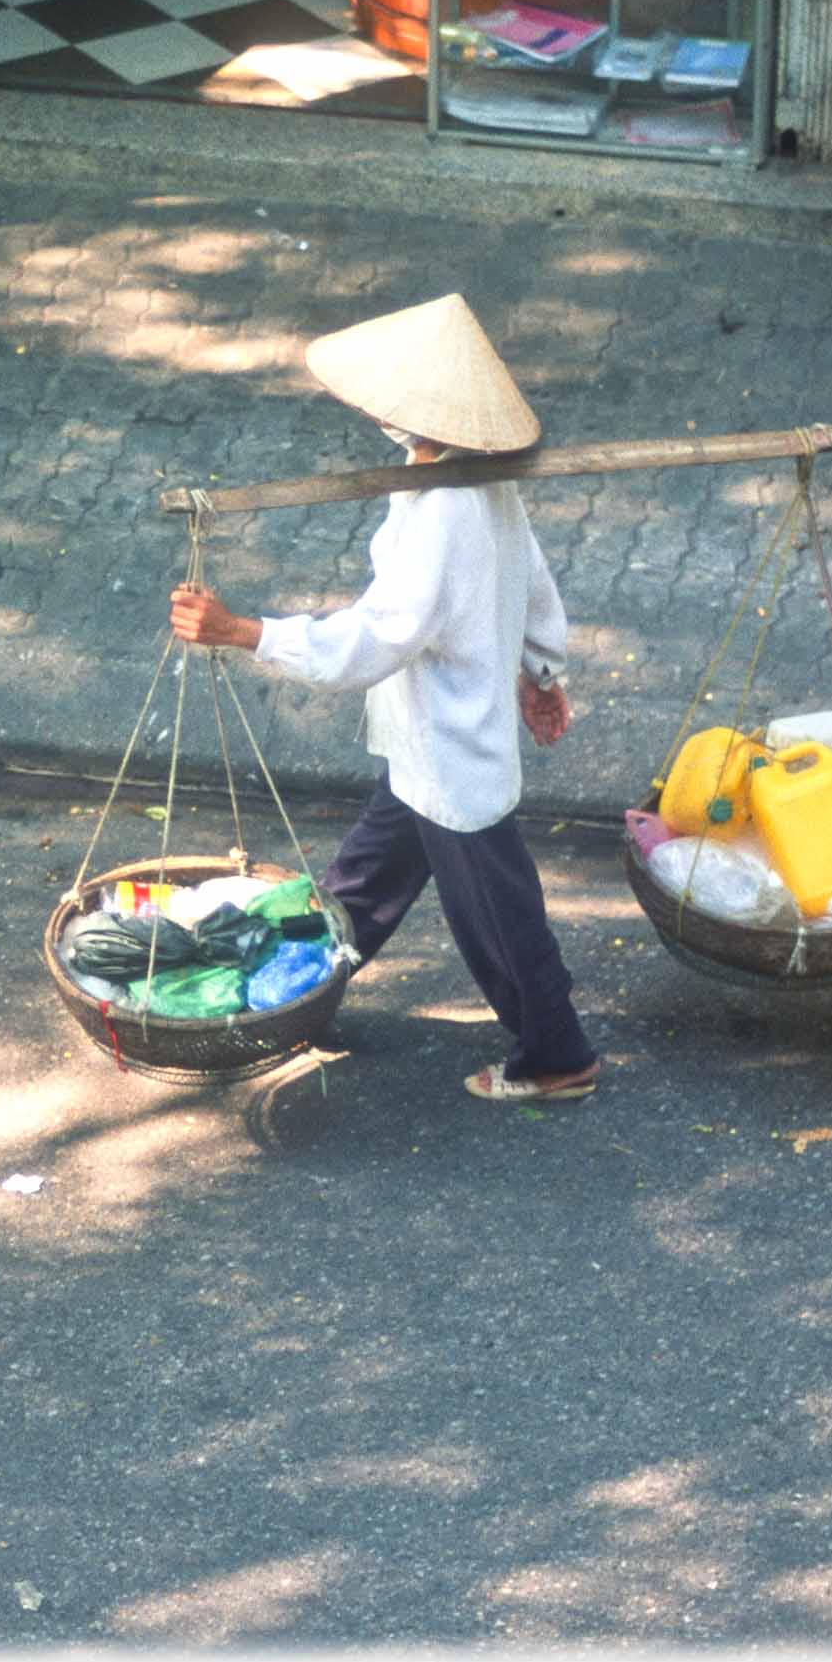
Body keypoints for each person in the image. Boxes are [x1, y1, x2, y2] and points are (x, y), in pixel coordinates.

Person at [169, 294, 599, 1104]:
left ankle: (557, 1054)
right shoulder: (471, 476)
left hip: (451, 745)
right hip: (423, 739)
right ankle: (299, 996)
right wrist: (540, 674)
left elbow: (377, 638)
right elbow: (532, 585)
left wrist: (244, 631)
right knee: (362, 885)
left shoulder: (447, 504)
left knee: (500, 921)